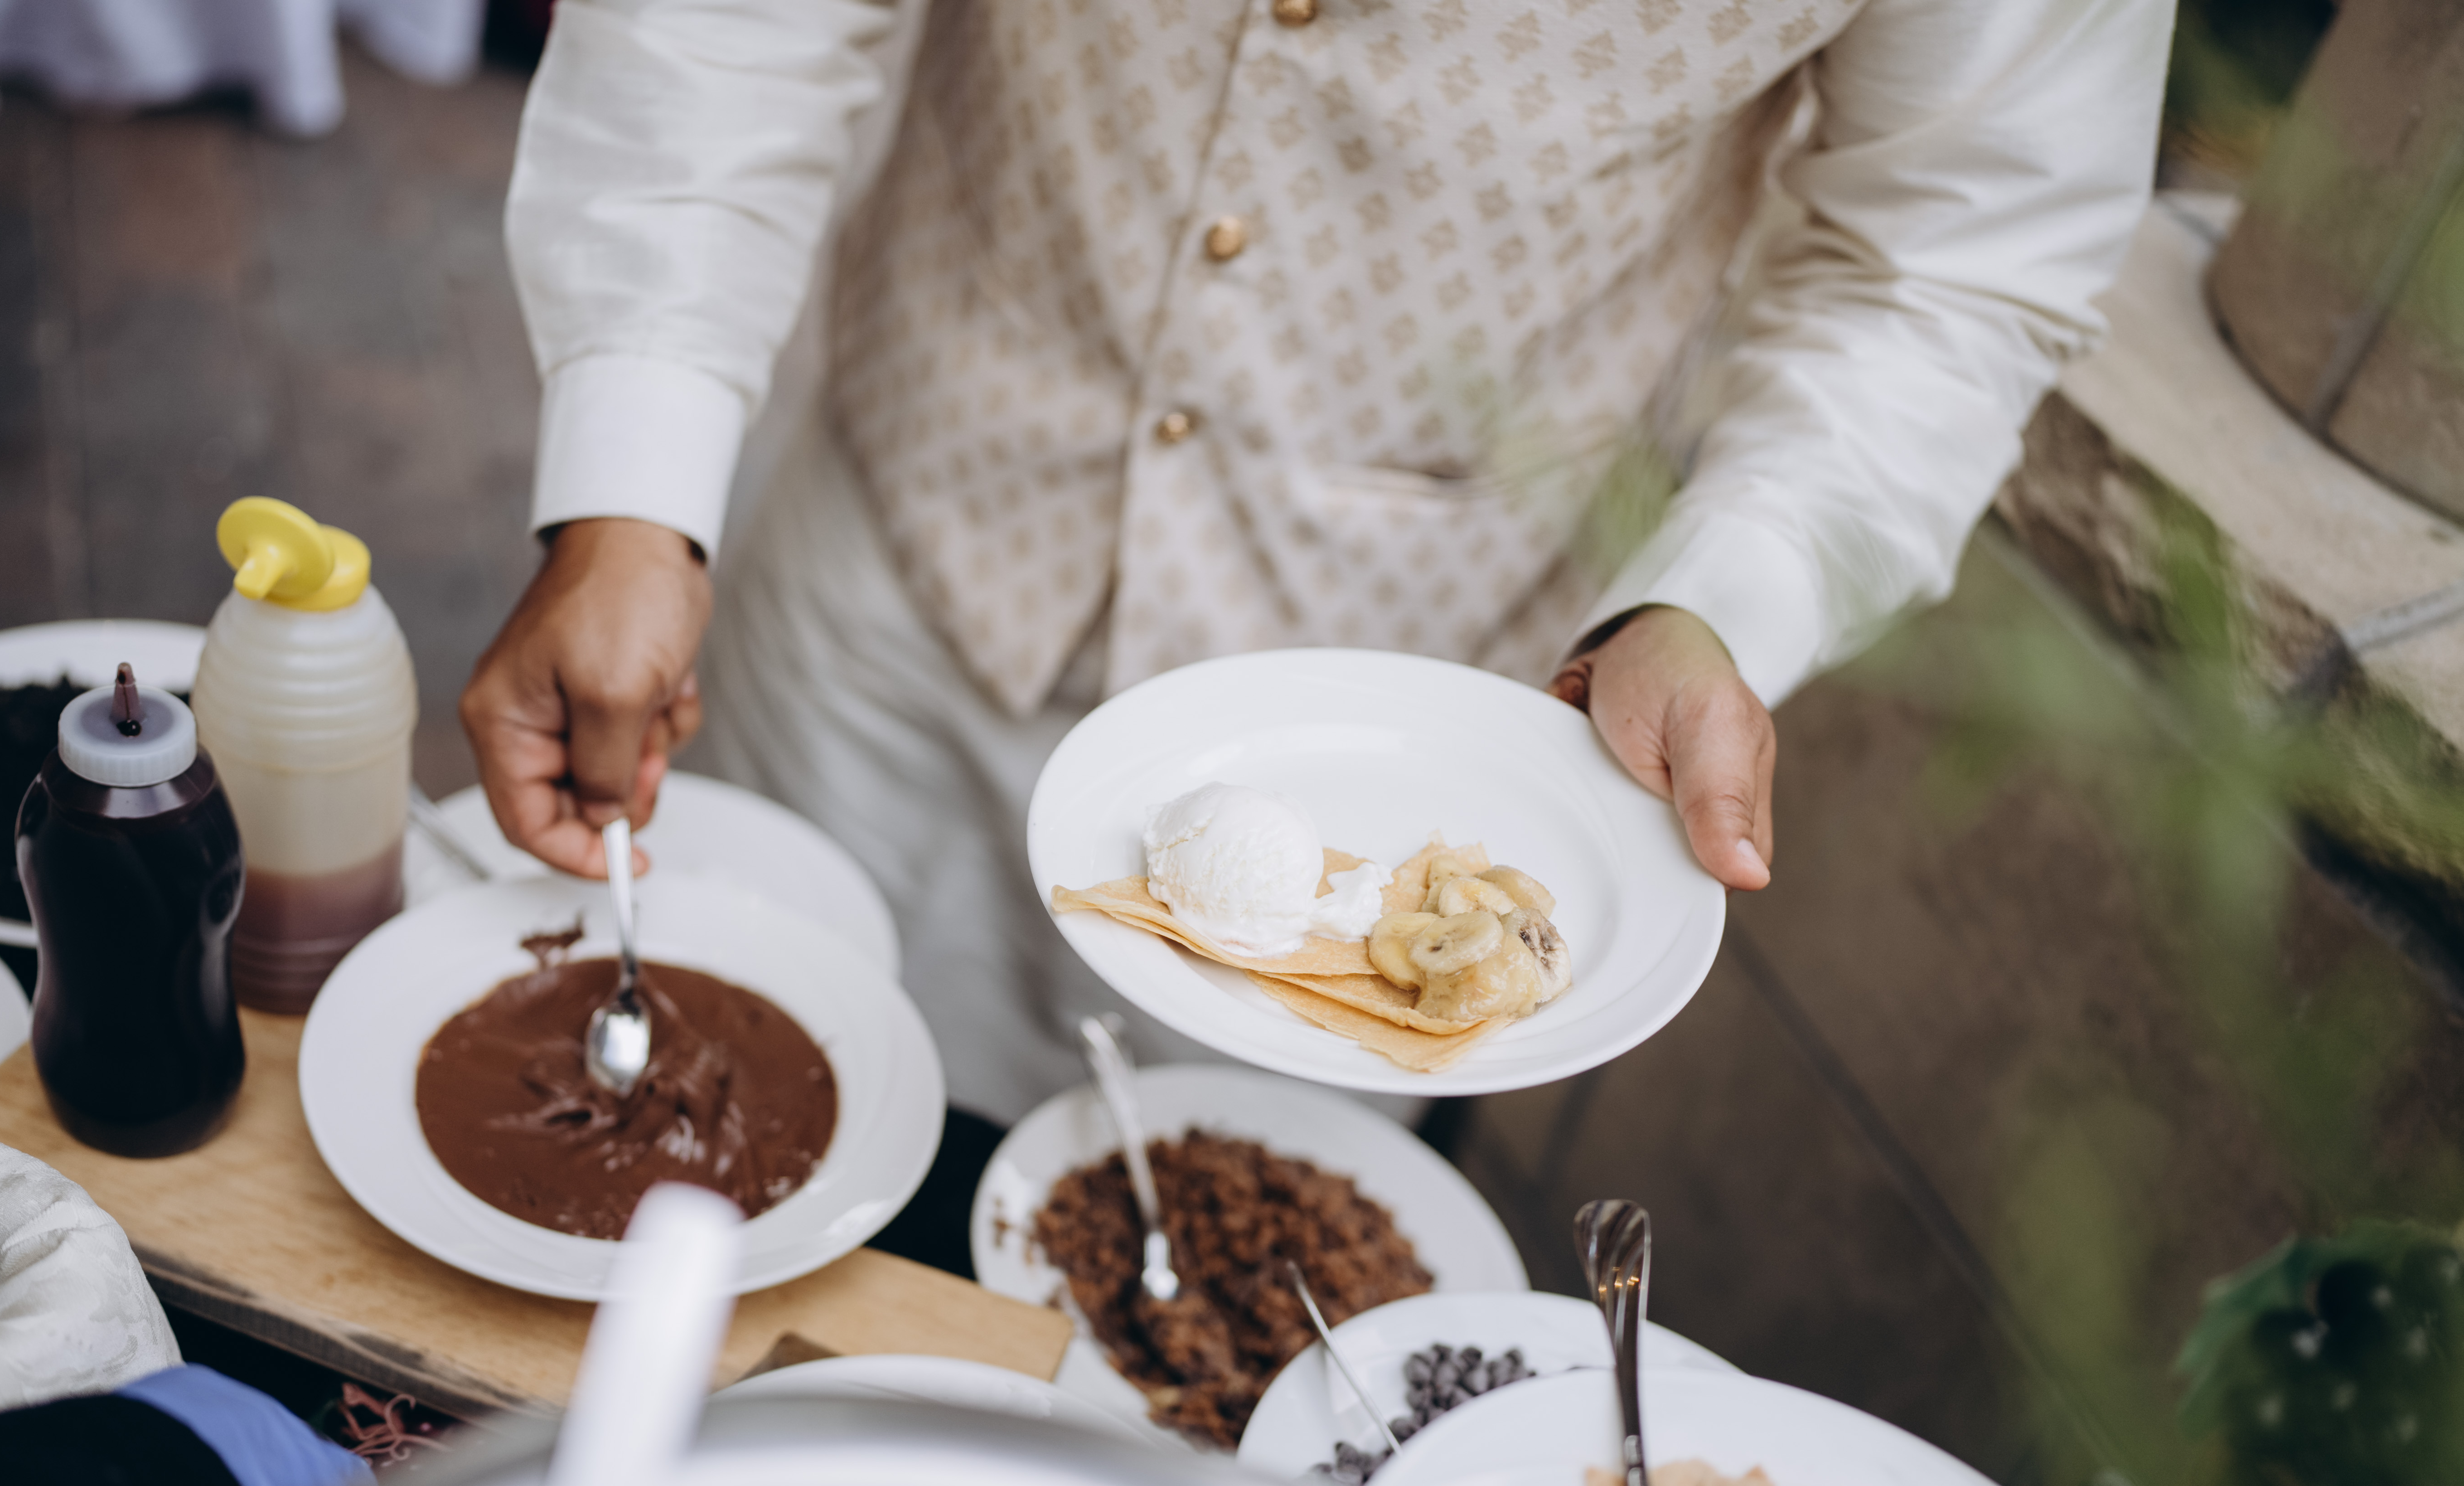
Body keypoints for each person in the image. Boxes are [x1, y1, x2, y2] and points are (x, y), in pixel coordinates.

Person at [463, 0, 2174, 1122]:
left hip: (1393, 787)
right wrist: (633, 480)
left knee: (1173, 1339)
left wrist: (1719, 595)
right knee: (697, 1135)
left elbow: (1951, 259)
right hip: (892, 568)